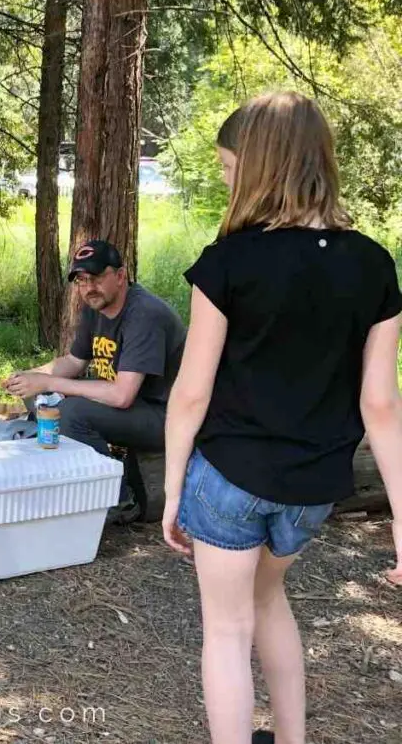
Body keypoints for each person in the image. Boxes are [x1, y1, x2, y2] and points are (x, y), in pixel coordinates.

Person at [163, 92, 402, 744]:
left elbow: (190, 392)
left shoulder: (228, 262)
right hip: (311, 493)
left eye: (227, 165)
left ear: (259, 164)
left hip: (229, 479)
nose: (223, 178)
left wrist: (171, 486)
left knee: (227, 628)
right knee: (268, 599)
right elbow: (381, 404)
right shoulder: (373, 264)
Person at [3, 239, 186, 521]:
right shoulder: (95, 308)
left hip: (169, 418)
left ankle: (118, 499)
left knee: (72, 411)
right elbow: (74, 363)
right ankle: (64, 482)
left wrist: (50, 383)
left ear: (121, 276)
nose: (89, 288)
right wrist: (30, 376)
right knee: (40, 399)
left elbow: (123, 395)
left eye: (97, 277)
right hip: (134, 408)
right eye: (81, 280)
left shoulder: (144, 315)